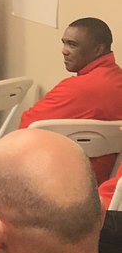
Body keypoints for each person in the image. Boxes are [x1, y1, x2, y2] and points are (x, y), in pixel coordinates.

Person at [18, 17, 122, 183]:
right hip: (105, 184)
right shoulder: (117, 79)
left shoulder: (77, 88)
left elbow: (25, 128)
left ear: (98, 49)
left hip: (61, 181)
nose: (64, 51)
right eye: (64, 43)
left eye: (72, 45)